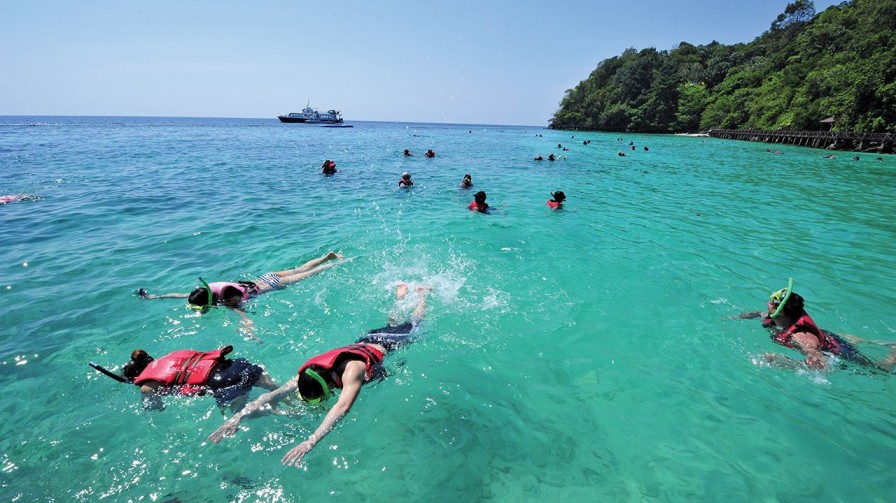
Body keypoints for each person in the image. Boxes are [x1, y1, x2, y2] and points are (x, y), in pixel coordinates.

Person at [209, 283, 433, 466]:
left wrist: (311, 441)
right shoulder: (309, 373)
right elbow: (271, 395)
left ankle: (422, 296)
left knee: (415, 325)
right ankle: (399, 297)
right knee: (390, 324)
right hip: (368, 339)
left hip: (388, 344)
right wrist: (238, 418)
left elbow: (342, 407)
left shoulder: (353, 371)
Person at [138, 252, 343, 327]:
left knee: (310, 274)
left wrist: (248, 326)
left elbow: (239, 311)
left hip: (271, 284)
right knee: (300, 269)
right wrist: (157, 296)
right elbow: (182, 295)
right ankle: (327, 256)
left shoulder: (226, 297)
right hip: (264, 277)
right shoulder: (207, 289)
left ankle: (334, 264)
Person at [735, 278, 896, 371]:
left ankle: (893, 354)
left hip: (834, 350)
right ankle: (879, 342)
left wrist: (782, 361)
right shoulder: (777, 319)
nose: (769, 301)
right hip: (824, 336)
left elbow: (822, 368)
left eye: (773, 301)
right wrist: (736, 317)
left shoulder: (801, 339)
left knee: (879, 369)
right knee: (842, 337)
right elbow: (757, 313)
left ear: (781, 312)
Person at [115, 345, 278, 412]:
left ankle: (277, 412)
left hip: (223, 382)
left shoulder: (147, 385)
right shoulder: (174, 354)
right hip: (236, 365)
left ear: (136, 376)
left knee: (243, 414)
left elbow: (157, 408)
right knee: (278, 391)